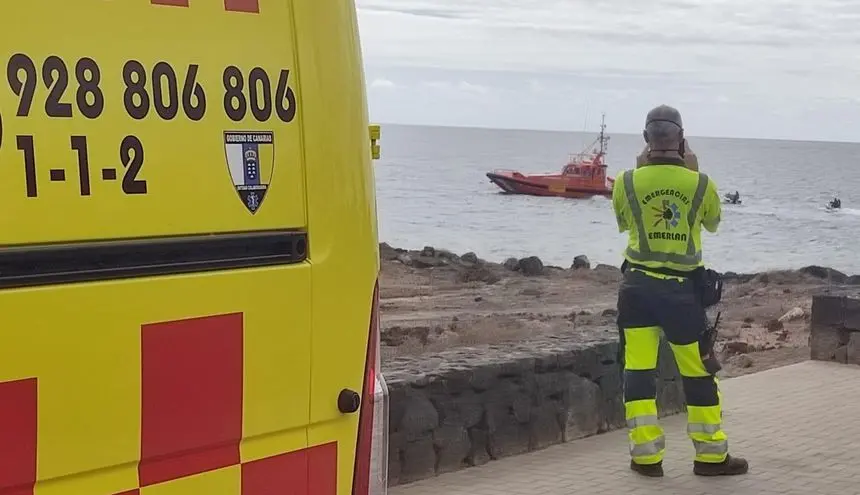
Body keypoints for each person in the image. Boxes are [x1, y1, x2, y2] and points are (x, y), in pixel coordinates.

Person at [612, 105, 748, 478]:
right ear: (682, 139)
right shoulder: (700, 183)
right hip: (681, 295)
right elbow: (713, 222)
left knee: (638, 373)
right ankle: (709, 457)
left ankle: (646, 457)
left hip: (636, 289)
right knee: (698, 374)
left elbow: (624, 223)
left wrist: (641, 174)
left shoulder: (625, 181)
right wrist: (691, 173)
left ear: (645, 140)